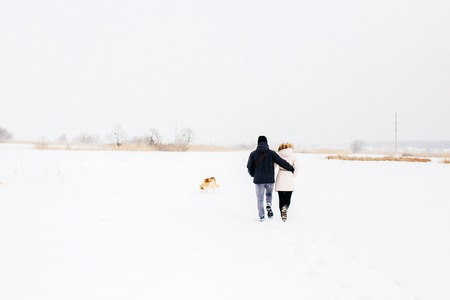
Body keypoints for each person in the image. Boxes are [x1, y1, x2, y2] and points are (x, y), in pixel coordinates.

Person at [247, 136, 295, 222]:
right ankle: (268, 204)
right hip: (270, 180)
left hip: (258, 180)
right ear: (266, 143)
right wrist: (291, 168)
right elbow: (281, 162)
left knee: (260, 199)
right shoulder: (271, 153)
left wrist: (254, 175)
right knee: (269, 195)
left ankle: (261, 217)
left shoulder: (253, 154)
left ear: (258, 143)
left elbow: (249, 167)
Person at [275, 143, 299, 222]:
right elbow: (297, 168)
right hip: (289, 177)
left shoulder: (278, 155)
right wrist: (293, 175)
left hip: (280, 175)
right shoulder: (293, 155)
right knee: (288, 197)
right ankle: (285, 207)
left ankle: (282, 215)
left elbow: (274, 166)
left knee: (281, 197)